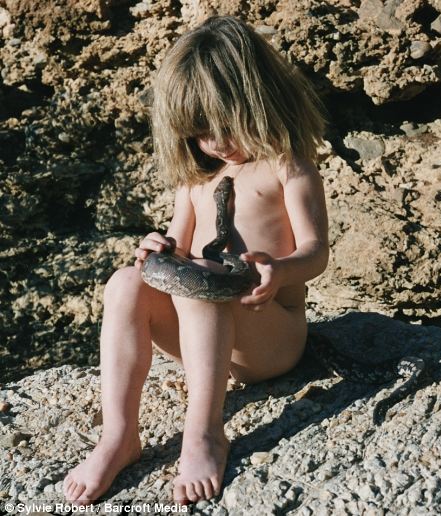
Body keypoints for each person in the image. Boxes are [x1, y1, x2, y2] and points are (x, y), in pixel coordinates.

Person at [63, 14, 329, 506]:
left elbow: (316, 251)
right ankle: (119, 435)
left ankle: (204, 433)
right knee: (125, 282)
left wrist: (280, 271)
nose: (217, 142)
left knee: (202, 282)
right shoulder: (195, 182)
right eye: (201, 132)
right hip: (205, 339)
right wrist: (158, 250)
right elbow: (178, 250)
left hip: (268, 335)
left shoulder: (286, 166)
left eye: (227, 125)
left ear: (258, 100)